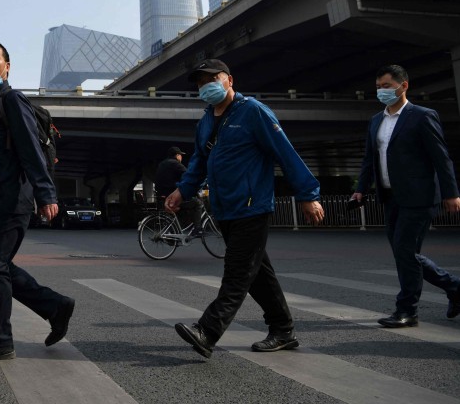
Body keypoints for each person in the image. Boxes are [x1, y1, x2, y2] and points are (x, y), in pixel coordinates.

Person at [166, 59, 324, 359]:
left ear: (229, 80)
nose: (206, 85)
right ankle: (283, 330)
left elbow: (284, 151)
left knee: (238, 272)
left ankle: (207, 330)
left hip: (253, 206)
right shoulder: (206, 121)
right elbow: (199, 161)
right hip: (224, 208)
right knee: (258, 273)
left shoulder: (253, 112)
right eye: (200, 82)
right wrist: (181, 190)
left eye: (212, 78)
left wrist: (308, 194)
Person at [0, 41, 75, 362]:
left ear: (7, 67)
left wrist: (46, 193)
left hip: (10, 198)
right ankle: (55, 305)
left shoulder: (10, 99)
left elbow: (29, 149)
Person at [350, 64, 460, 327]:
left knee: (405, 251)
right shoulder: (376, 120)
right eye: (378, 87)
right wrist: (360, 189)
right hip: (390, 197)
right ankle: (455, 287)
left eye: (386, 86)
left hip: (419, 197)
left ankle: (407, 310)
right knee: (404, 253)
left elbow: (440, 158)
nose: (381, 91)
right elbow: (369, 159)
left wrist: (451, 192)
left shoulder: (422, 116)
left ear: (403, 86)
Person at [155, 146, 202, 233]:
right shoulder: (176, 164)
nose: (181, 157)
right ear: (177, 155)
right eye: (181, 155)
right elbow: (188, 176)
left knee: (180, 212)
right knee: (197, 203)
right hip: (172, 196)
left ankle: (174, 234)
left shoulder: (162, 164)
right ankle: (198, 229)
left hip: (161, 195)